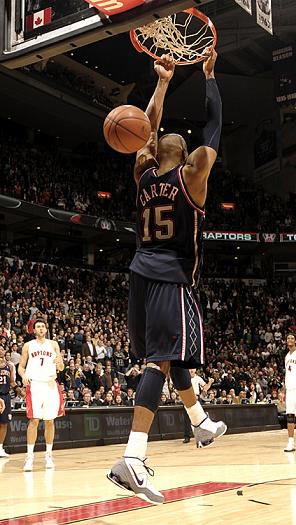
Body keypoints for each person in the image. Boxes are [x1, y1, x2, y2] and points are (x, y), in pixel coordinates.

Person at [107, 48, 226, 505]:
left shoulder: (143, 174)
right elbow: (212, 127)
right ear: (182, 151)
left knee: (173, 357)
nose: (163, 136)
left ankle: (199, 422)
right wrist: (209, 78)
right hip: (169, 277)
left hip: (139, 273)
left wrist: (161, 83)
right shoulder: (193, 174)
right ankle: (132, 459)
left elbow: (145, 128)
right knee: (160, 360)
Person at [18, 319, 65, 471]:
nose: (41, 328)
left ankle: (49, 455)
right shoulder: (28, 346)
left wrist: (60, 363)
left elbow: (61, 367)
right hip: (35, 385)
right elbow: (20, 367)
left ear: (46, 329)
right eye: (38, 326)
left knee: (50, 421)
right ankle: (29, 457)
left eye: (43, 326)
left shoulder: (53, 344)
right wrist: (23, 376)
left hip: (50, 384)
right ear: (34, 330)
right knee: (34, 420)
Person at [0, 345, 16, 457]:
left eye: (2, 349)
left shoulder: (10, 366)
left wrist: (21, 390)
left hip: (5, 396)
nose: (1, 351)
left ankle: (0, 448)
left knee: (4, 423)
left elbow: (12, 382)